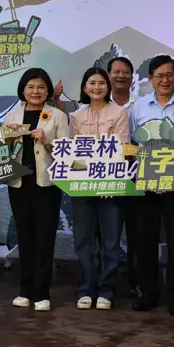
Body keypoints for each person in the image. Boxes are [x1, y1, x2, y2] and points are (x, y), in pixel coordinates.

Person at [128, 54, 174, 313]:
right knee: (146, 239)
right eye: (159, 76)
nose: (165, 80)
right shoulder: (139, 107)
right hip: (146, 180)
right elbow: (133, 143)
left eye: (169, 75)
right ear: (150, 79)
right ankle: (148, 292)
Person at [4, 68, 70, 311]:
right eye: (31, 87)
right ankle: (25, 290)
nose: (35, 91)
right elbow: (3, 150)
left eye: (41, 87)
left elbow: (65, 152)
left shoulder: (57, 116)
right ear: (23, 89)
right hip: (19, 184)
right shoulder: (13, 115)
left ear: (48, 91)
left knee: (44, 238)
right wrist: (9, 140)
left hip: (47, 185)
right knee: (25, 237)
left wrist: (46, 141)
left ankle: (42, 293)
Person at [68, 67, 128, 311]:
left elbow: (122, 149)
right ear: (84, 87)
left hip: (110, 187)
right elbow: (72, 153)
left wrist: (108, 181)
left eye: (101, 82)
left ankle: (106, 290)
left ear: (108, 86)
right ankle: (85, 289)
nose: (97, 86)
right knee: (83, 241)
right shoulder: (75, 116)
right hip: (82, 186)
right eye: (92, 82)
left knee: (111, 241)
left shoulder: (119, 113)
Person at [107, 56, 139, 294]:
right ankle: (107, 284)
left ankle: (137, 283)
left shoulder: (141, 105)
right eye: (116, 71)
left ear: (132, 76)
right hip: (107, 177)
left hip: (137, 177)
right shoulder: (98, 103)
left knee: (137, 233)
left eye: (125, 72)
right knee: (108, 234)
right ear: (109, 75)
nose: (120, 75)